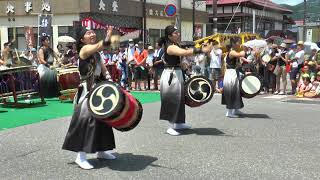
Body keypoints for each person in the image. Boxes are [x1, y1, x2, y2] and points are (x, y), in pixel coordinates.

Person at [62, 26, 116, 170]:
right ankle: (81, 157)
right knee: (86, 122)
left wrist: (111, 83)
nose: (92, 34)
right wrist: (108, 35)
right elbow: (102, 44)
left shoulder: (97, 54)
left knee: (103, 120)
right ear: (82, 39)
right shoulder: (84, 50)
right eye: (88, 33)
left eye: (93, 32)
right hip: (87, 90)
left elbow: (104, 70)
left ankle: (102, 151)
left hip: (98, 89)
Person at [159, 25, 210, 136]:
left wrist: (187, 71)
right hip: (170, 75)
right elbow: (184, 53)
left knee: (180, 99)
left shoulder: (175, 44)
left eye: (178, 32)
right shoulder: (169, 46)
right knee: (172, 99)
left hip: (177, 73)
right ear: (169, 36)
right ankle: (171, 126)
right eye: (175, 33)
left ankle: (179, 123)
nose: (178, 34)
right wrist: (201, 49)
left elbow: (181, 61)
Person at [221, 37, 245, 118]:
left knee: (236, 91)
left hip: (231, 72)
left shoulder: (231, 51)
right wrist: (244, 49)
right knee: (231, 91)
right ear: (233, 43)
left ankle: (235, 109)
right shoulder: (232, 52)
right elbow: (241, 54)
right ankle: (229, 112)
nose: (239, 44)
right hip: (230, 73)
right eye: (238, 42)